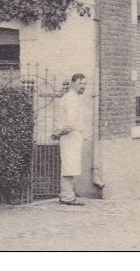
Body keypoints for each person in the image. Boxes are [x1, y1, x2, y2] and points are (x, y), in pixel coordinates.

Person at [53, 73, 88, 206]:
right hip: (70, 135)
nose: (83, 86)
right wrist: (59, 133)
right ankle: (67, 196)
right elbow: (70, 123)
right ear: (73, 84)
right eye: (80, 83)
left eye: (84, 84)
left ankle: (68, 194)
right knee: (69, 165)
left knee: (71, 165)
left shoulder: (75, 98)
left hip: (73, 135)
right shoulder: (71, 99)